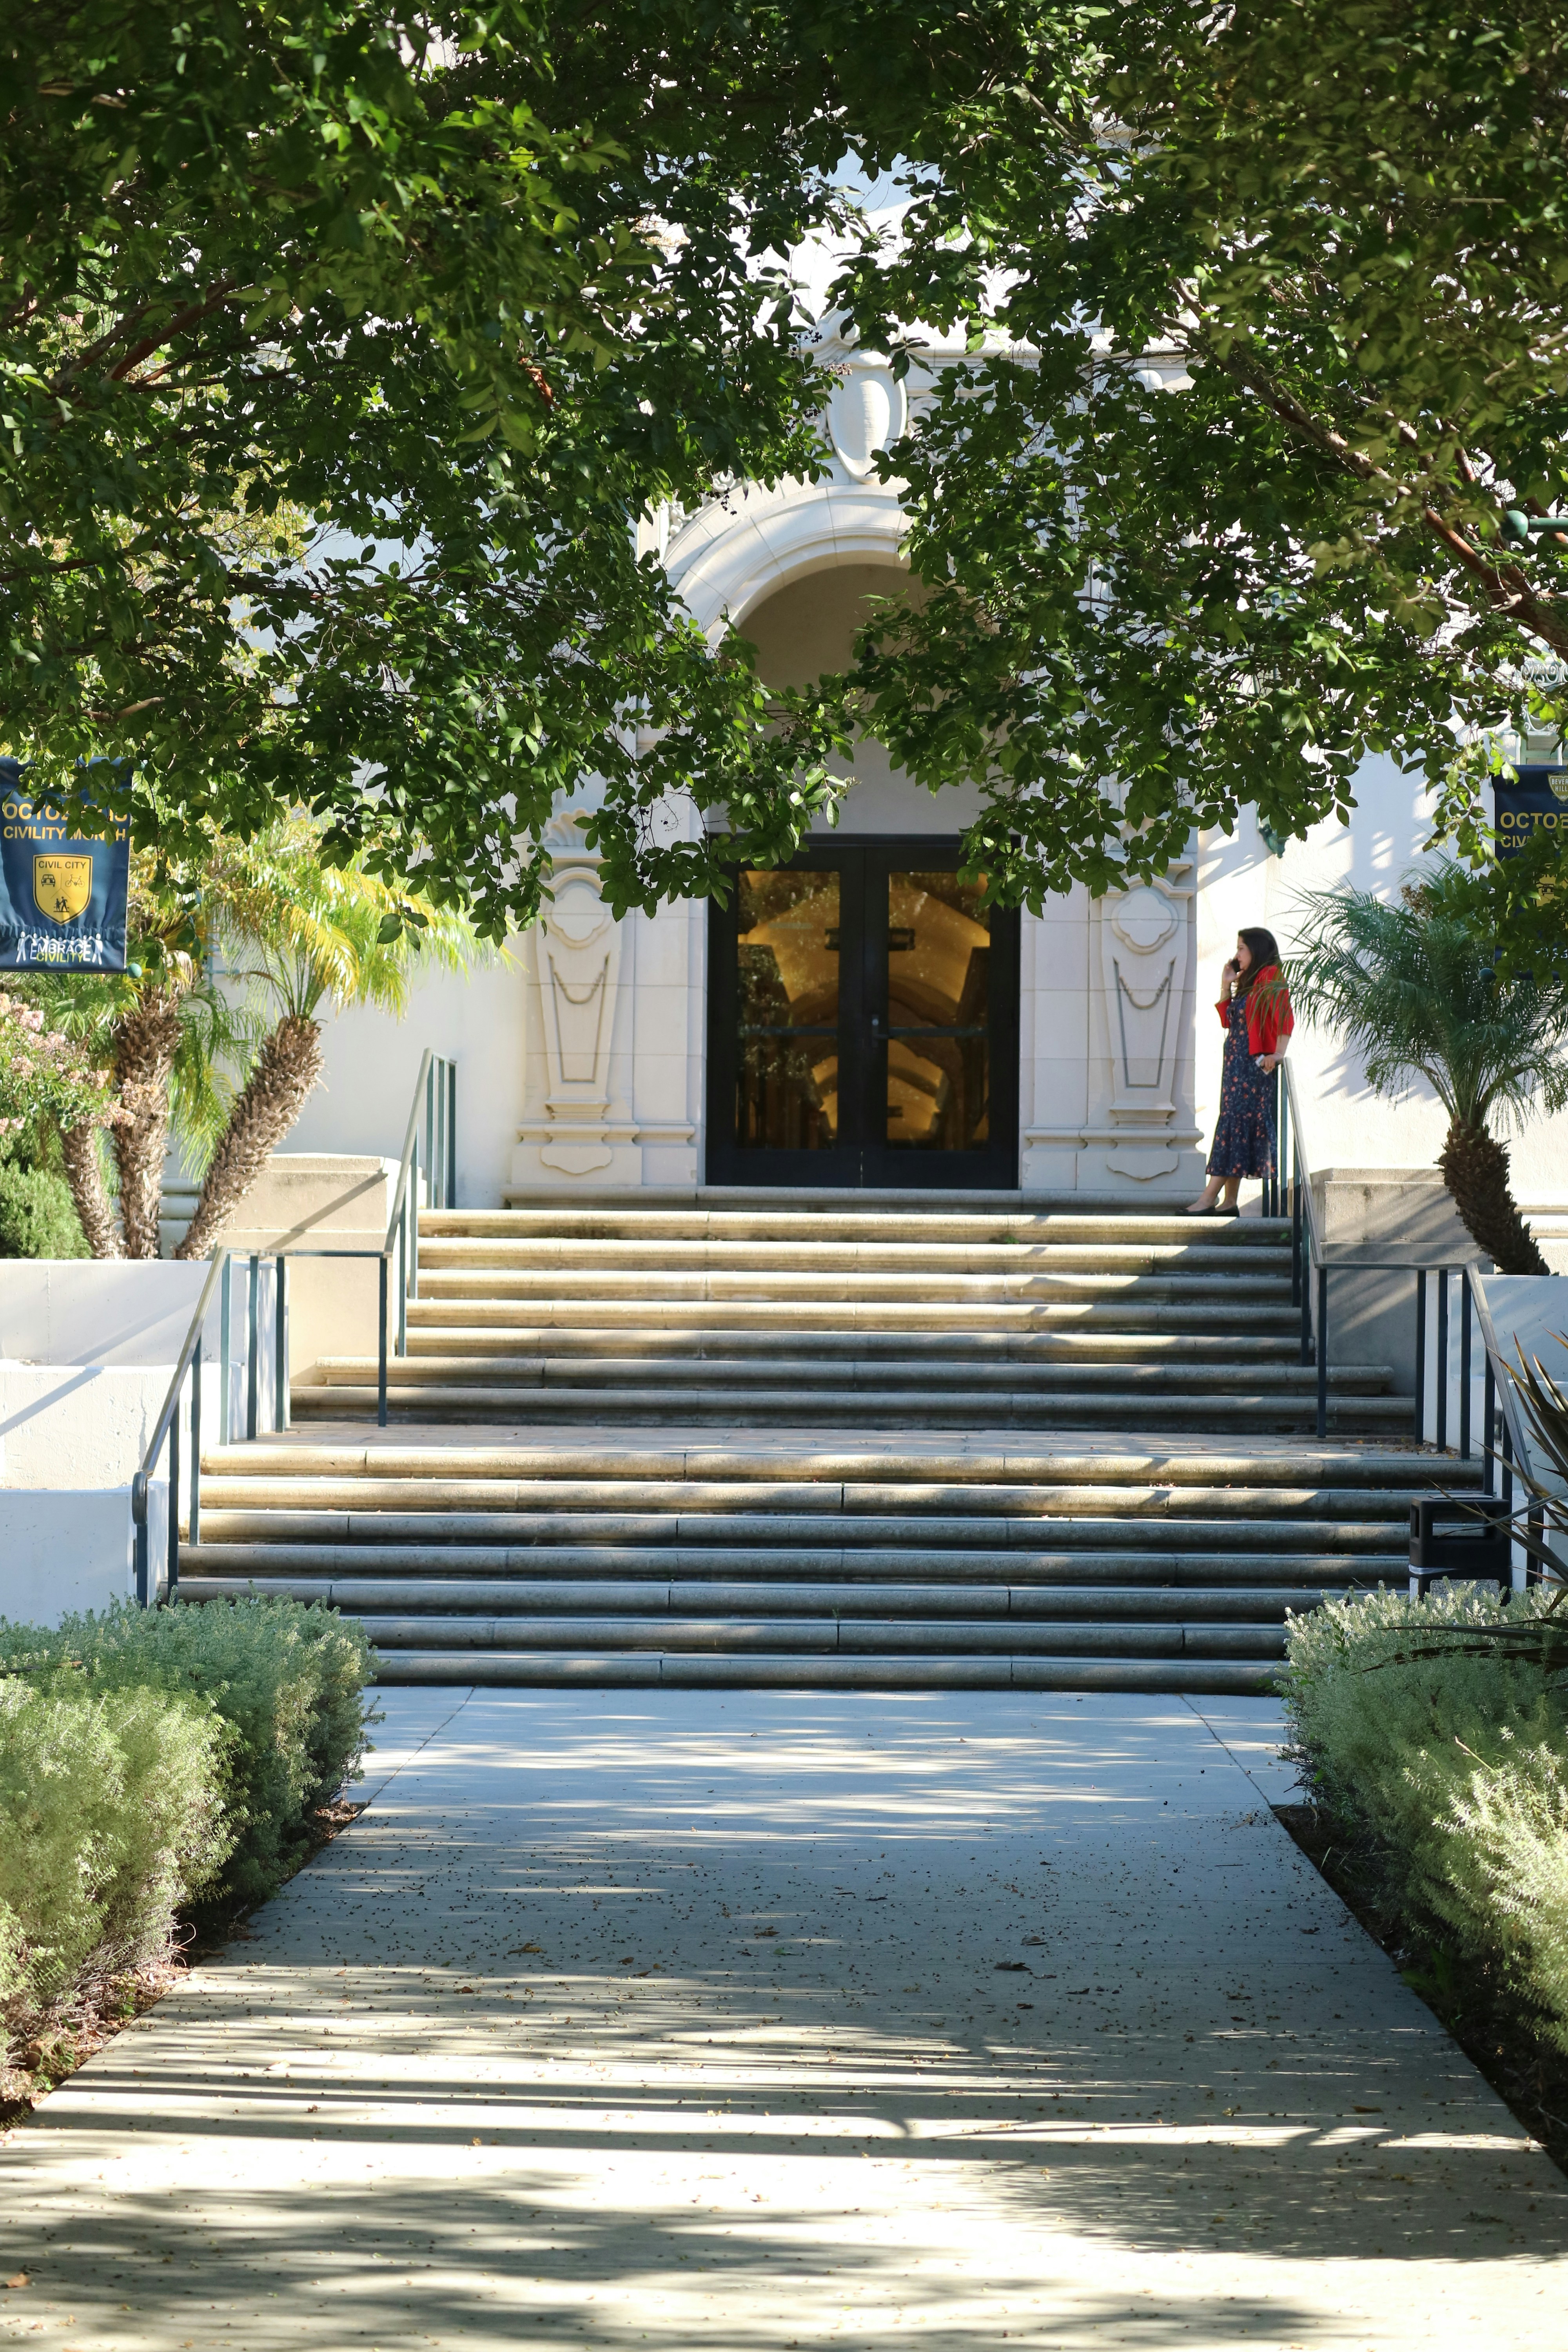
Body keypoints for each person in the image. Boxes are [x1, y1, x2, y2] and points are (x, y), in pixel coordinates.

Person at [1185, 926, 1294, 1215]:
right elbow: (1228, 1021)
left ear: (1256, 950)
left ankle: (1209, 1198)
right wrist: (1227, 985)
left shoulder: (1270, 976)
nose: (1237, 955)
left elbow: (1285, 1016)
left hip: (1253, 1068)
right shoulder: (1250, 980)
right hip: (1235, 1068)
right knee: (1235, 1126)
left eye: (1241, 949)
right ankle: (1230, 1202)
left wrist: (1279, 1053)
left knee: (1237, 1126)